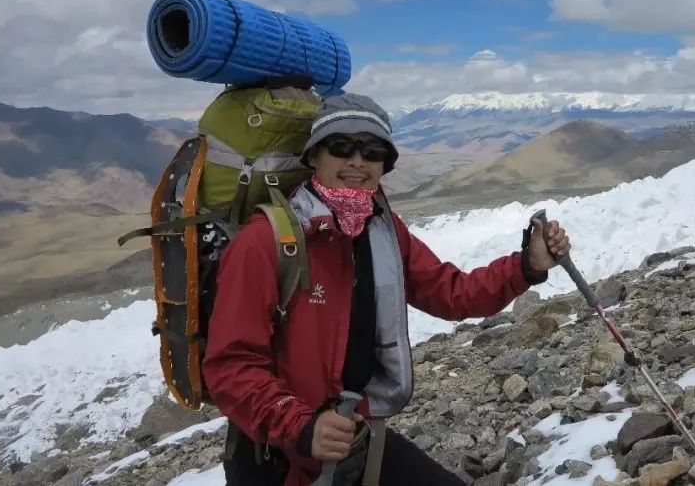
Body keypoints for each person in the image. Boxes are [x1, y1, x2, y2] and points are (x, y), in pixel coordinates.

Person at [203, 93, 572, 486]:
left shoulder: (381, 229)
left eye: (373, 151)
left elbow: (450, 291)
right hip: (278, 457)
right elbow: (230, 365)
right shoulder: (265, 242)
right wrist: (301, 426)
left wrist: (525, 267)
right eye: (341, 146)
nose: (358, 161)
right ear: (313, 156)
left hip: (354, 439)